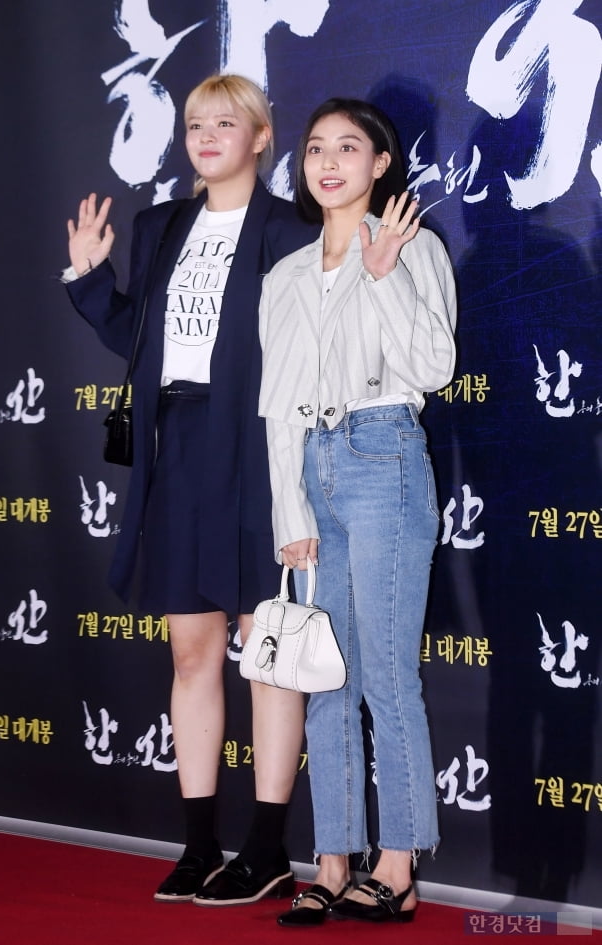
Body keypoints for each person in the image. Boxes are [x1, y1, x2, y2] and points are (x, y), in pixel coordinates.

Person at [63, 74, 318, 907]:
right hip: (176, 447)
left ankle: (269, 846)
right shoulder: (160, 225)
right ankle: (199, 842)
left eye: (225, 123)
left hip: (258, 448)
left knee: (265, 650)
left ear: (261, 138)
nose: (206, 136)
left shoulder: (291, 229)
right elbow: (143, 340)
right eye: (195, 124)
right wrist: (91, 280)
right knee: (192, 652)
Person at [258, 98, 457, 926]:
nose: (329, 161)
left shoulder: (415, 247)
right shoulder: (284, 276)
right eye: (315, 148)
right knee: (324, 675)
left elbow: (434, 366)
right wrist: (288, 509)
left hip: (384, 456)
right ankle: (333, 860)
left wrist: (383, 277)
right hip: (314, 469)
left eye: (349, 147)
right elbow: (278, 406)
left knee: (385, 673)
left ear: (381, 164)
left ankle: (399, 862)